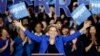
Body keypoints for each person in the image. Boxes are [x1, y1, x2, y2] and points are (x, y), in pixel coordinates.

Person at [14, 20, 91, 56]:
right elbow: (31, 36)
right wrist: (21, 26)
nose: (53, 32)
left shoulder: (61, 39)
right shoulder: (43, 38)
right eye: (51, 30)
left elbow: (73, 35)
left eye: (55, 31)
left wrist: (84, 27)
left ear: (57, 33)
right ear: (48, 32)